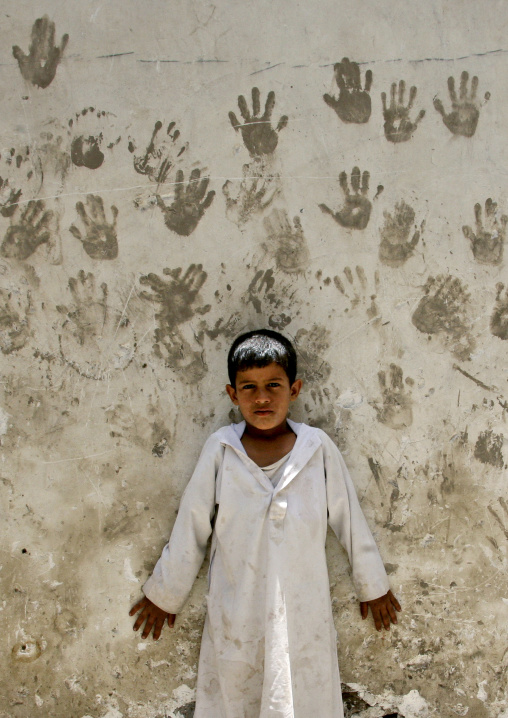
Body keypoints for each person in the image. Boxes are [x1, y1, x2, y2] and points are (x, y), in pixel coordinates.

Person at [130, 329, 401, 718]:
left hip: (301, 603)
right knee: (236, 690)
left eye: (273, 385)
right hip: (237, 602)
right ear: (231, 393)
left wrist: (372, 585)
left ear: (294, 389)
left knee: (304, 690)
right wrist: (165, 592)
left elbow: (348, 518)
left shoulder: (316, 448)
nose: (261, 398)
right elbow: (192, 523)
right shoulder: (222, 449)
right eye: (249, 387)